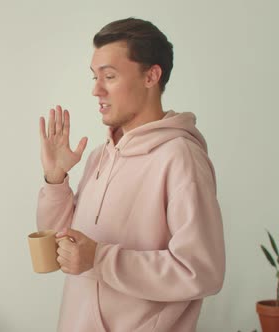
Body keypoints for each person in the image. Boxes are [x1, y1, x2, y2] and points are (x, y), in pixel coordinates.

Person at [37, 18, 225, 332]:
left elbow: (202, 270)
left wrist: (100, 260)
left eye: (109, 76)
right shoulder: (101, 155)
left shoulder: (181, 158)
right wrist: (56, 180)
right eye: (95, 77)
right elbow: (65, 247)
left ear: (152, 75)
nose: (96, 90)